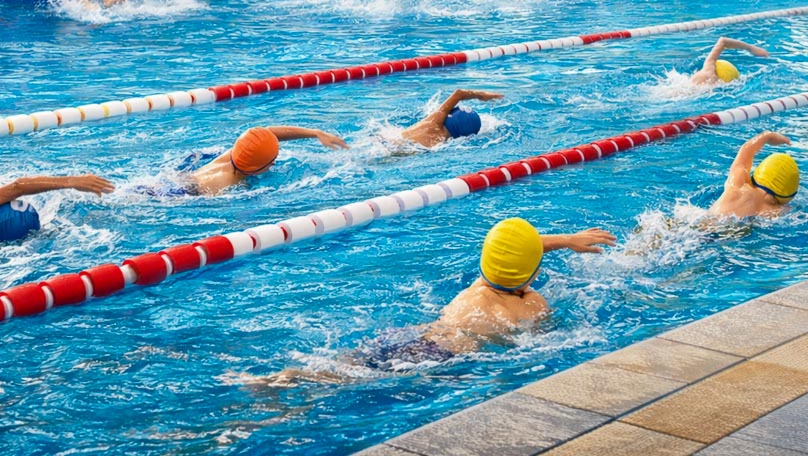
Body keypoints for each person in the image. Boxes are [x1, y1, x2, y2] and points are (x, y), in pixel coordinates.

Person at [269, 218, 616, 378]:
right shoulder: (532, 303)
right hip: (441, 358)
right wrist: (567, 241)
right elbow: (522, 265)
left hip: (413, 335)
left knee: (346, 364)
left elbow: (510, 251)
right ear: (532, 273)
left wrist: (564, 239)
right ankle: (297, 378)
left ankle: (287, 376)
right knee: (346, 379)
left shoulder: (477, 288)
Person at [152, 125, 348, 197]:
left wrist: (315, 133)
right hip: (181, 195)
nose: (274, 164)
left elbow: (268, 132)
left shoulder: (233, 154)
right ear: (255, 170)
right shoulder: (231, 185)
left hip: (178, 179)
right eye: (271, 161)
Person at [707, 132, 799, 218]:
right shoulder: (776, 211)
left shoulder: (739, 186)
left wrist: (767, 136)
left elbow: (745, 152)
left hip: (706, 224)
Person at [398, 89, 502, 147]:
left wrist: (481, 95)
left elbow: (459, 93)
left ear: (449, 116)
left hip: (394, 141)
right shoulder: (440, 145)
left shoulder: (434, 122)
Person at [691, 37, 769, 85]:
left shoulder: (708, 71)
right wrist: (751, 48)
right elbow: (723, 41)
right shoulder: (709, 74)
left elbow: (723, 41)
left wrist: (751, 48)